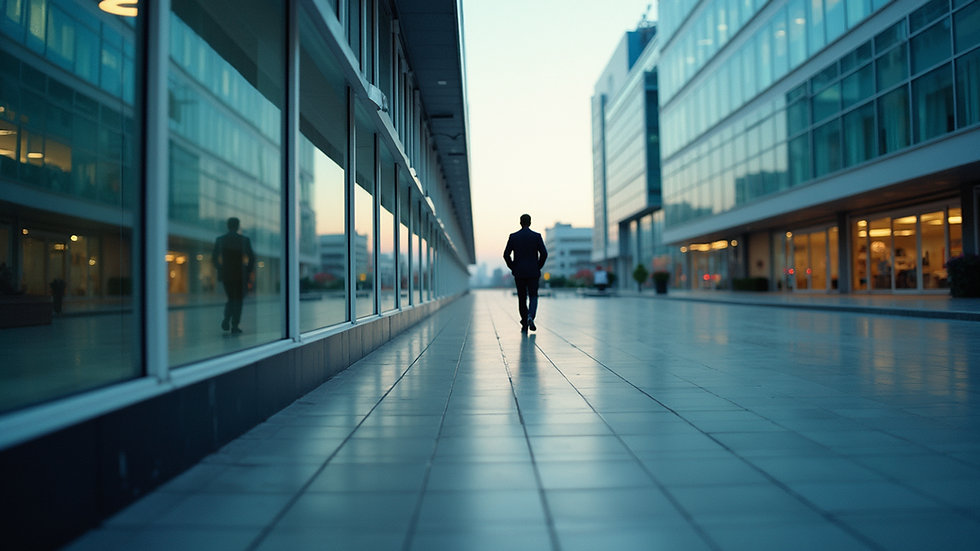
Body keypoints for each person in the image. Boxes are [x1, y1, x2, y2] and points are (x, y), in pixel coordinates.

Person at [503, 214, 548, 332]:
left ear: (520, 222)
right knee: (533, 295)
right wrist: (538, 266)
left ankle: (524, 323)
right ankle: (530, 316)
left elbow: (506, 255)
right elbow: (544, 254)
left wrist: (513, 267)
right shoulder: (536, 236)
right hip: (533, 271)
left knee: (522, 297)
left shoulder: (514, 237)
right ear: (530, 222)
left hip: (519, 272)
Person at [212, 217, 254, 334]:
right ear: (238, 226)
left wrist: (221, 268)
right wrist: (247, 271)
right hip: (240, 274)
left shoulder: (220, 240)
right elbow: (251, 257)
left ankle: (227, 318)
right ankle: (234, 325)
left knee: (231, 298)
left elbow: (214, 258)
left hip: (227, 274)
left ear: (228, 225)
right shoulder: (244, 240)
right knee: (238, 300)